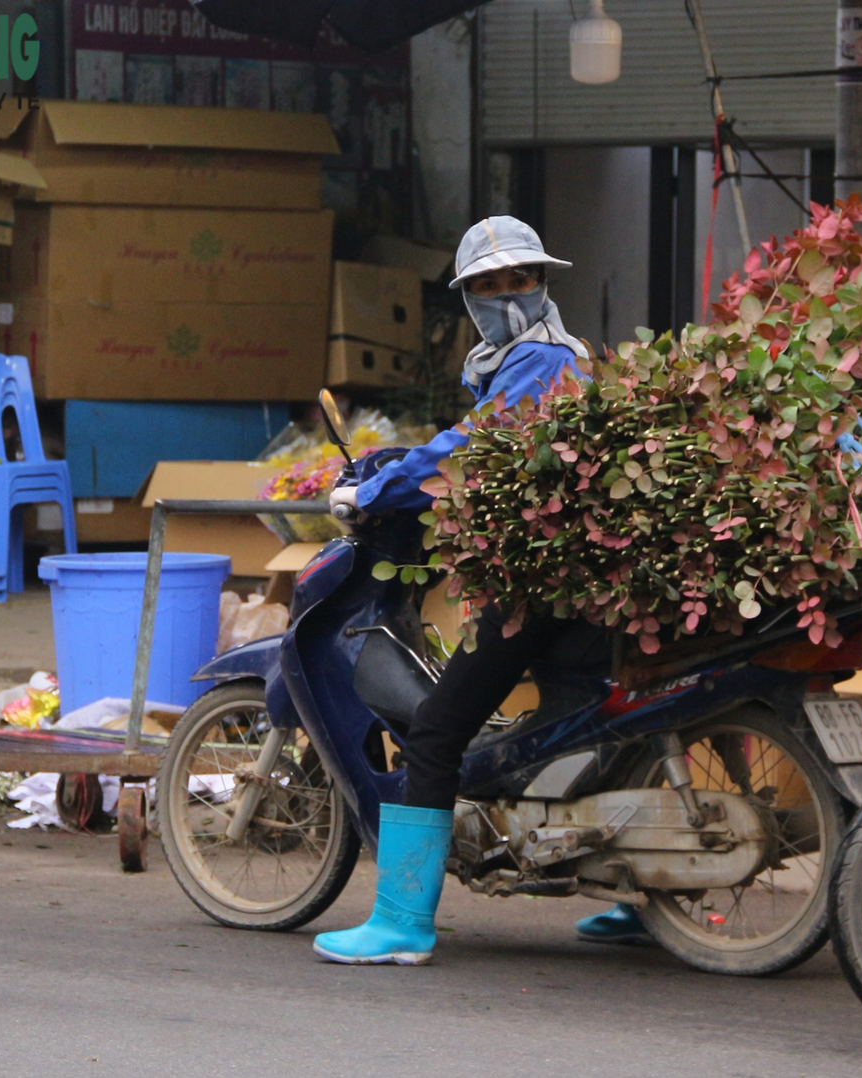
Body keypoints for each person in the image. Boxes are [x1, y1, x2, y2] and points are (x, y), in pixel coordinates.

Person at [312, 216, 647, 965]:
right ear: (468, 298)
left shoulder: (539, 360)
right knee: (596, 719)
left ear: (542, 283)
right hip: (583, 571)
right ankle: (646, 899)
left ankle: (401, 924)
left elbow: (472, 448)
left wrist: (378, 491)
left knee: (436, 729)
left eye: (518, 281)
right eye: (488, 286)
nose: (505, 295)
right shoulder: (535, 355)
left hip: (546, 578)